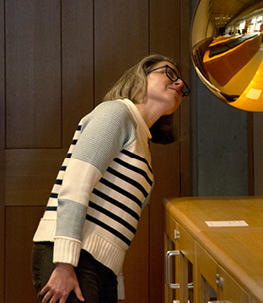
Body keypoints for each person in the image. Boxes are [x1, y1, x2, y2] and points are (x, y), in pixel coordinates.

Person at [31, 54, 190, 303]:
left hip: (97, 267)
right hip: (71, 256)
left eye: (182, 83)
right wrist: (64, 264)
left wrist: (114, 284)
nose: (179, 84)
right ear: (141, 76)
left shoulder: (142, 144)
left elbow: (115, 227)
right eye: (168, 73)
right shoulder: (116, 113)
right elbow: (75, 185)